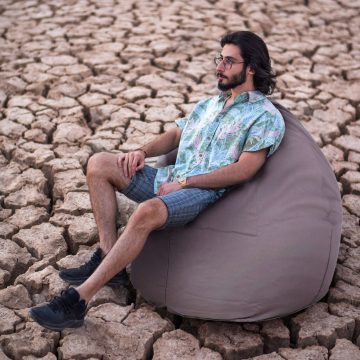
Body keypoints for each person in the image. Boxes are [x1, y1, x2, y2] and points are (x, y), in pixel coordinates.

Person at [29, 31, 285, 331]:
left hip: (205, 192)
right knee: (99, 164)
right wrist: (142, 151)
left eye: (228, 61)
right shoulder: (211, 104)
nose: (219, 66)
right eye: (220, 59)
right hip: (171, 179)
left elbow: (245, 169)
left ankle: (78, 300)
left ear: (251, 67)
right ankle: (110, 260)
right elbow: (177, 135)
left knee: (147, 210)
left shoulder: (265, 116)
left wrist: (186, 183)